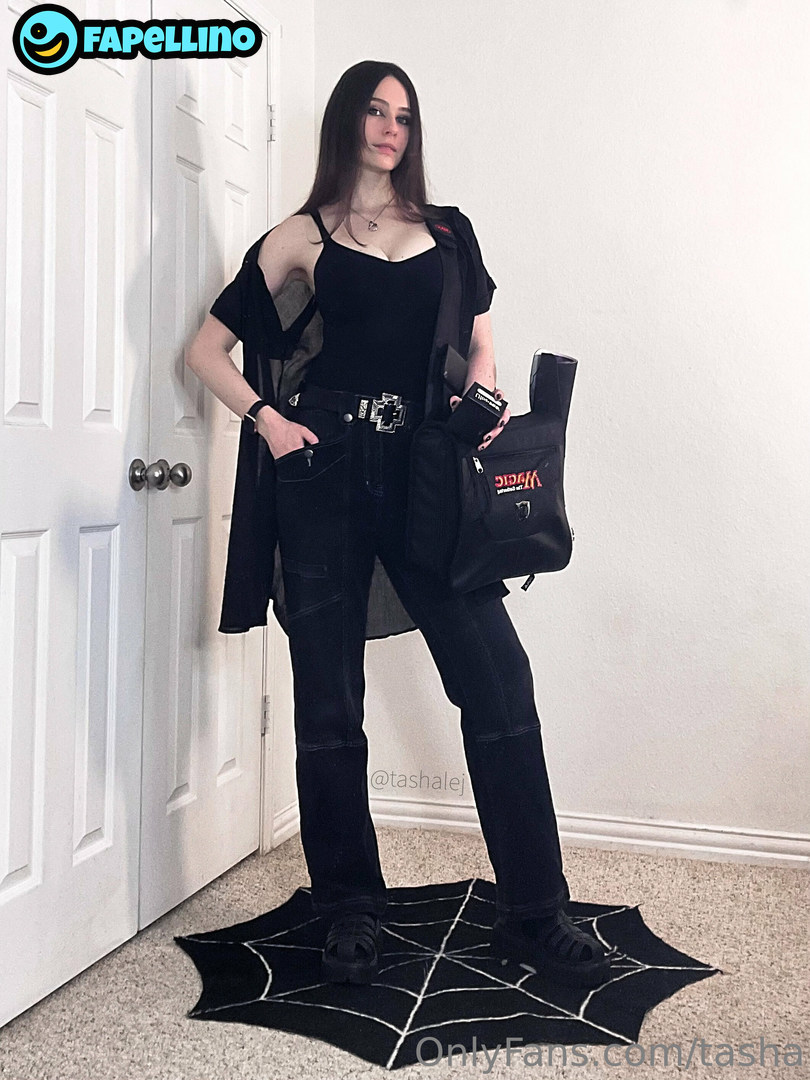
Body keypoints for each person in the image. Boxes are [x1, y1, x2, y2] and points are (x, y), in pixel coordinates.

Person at [187, 60, 609, 989]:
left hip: (427, 475)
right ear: (347, 122)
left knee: (499, 681)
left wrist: (480, 401)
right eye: (375, 112)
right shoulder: (302, 235)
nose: (390, 128)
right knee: (328, 702)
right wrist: (270, 421)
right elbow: (207, 351)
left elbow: (480, 339)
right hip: (325, 473)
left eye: (404, 116)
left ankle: (535, 912)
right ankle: (350, 908)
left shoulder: (448, 232)